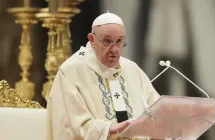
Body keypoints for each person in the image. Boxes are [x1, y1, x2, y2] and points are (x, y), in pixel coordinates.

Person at [46, 12, 160, 140]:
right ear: (92, 40)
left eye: (119, 41)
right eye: (107, 41)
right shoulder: (71, 71)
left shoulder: (132, 69)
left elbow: (157, 111)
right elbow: (69, 124)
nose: (115, 50)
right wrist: (109, 129)